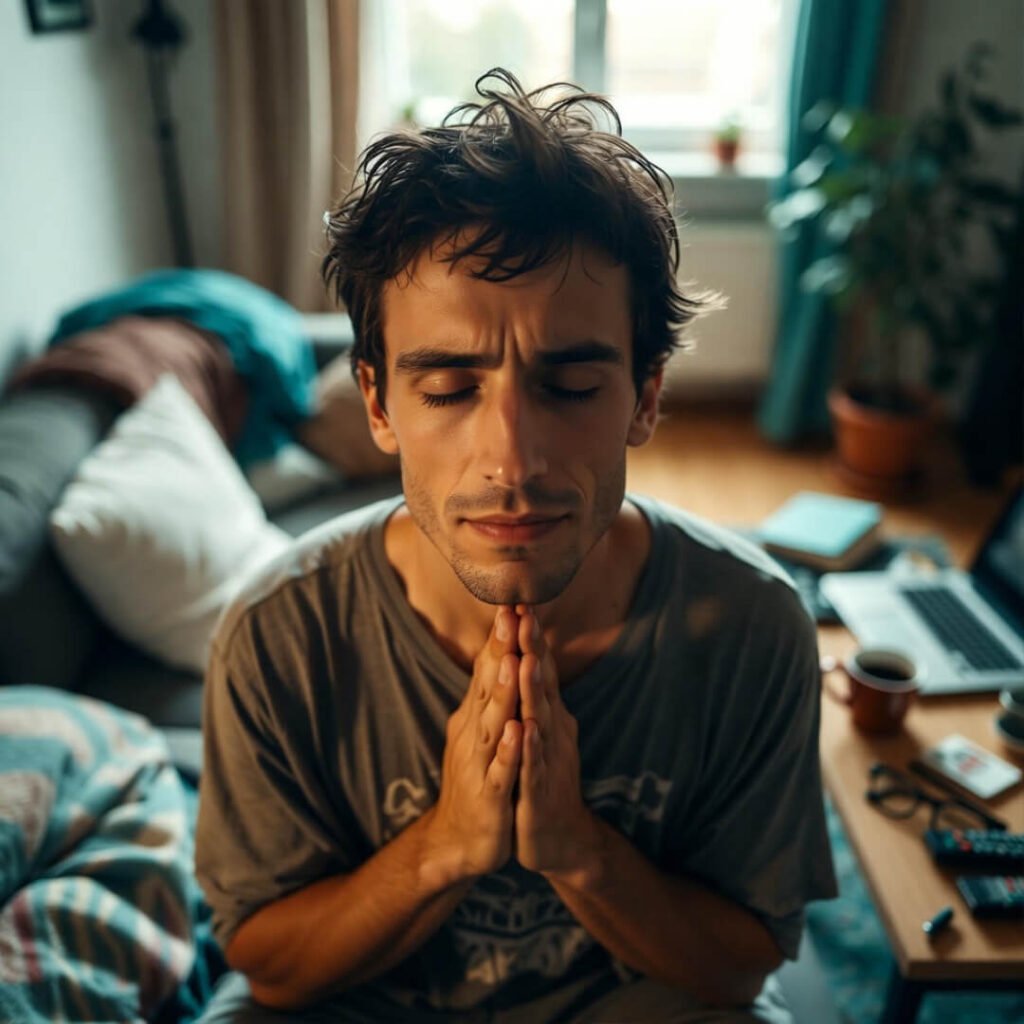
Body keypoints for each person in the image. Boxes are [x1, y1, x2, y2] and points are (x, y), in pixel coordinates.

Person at [195, 68, 837, 1023]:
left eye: (571, 387)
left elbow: (739, 972)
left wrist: (580, 849)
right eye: (449, 390)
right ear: (378, 403)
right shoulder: (276, 636)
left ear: (646, 396)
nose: (512, 458)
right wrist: (446, 845)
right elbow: (272, 971)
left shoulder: (756, 625)